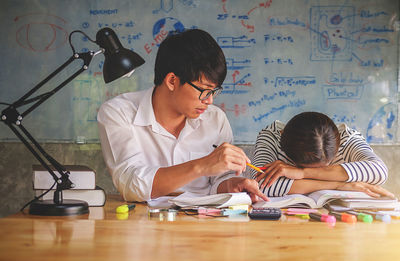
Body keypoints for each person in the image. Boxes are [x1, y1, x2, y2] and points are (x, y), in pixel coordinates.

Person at [97, 29, 267, 203]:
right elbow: (131, 185)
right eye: (204, 90)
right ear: (172, 81)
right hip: (145, 223)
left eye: (214, 91)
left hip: (203, 221)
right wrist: (201, 166)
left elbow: (218, 182)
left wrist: (232, 184)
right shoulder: (119, 113)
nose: (209, 101)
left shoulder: (216, 119)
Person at [252, 111, 394, 198]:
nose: (316, 172)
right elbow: (259, 185)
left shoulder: (347, 138)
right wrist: (340, 185)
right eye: (304, 167)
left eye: (322, 168)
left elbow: (379, 171)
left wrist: (302, 173)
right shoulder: (272, 136)